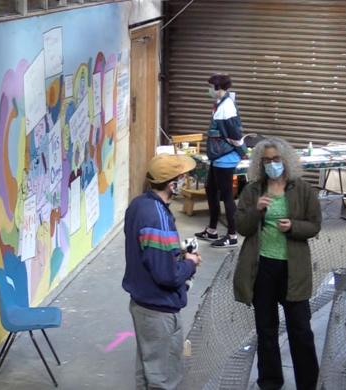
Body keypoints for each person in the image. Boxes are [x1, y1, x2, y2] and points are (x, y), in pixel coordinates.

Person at [232, 137, 321, 390]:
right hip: (262, 268)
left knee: (301, 330)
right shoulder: (252, 191)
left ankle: (309, 383)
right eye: (267, 160)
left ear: (286, 160)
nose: (272, 164)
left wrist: (294, 226)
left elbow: (315, 225)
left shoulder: (302, 189)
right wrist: (256, 210)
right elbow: (241, 227)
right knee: (266, 330)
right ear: (260, 164)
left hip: (294, 269)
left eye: (276, 159)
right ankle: (270, 382)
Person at [123, 154, 202, 390]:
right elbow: (167, 276)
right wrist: (190, 263)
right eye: (183, 177)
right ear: (171, 184)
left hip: (142, 303)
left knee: (147, 371)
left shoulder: (139, 205)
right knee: (162, 378)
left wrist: (175, 251)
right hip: (158, 309)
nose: (185, 180)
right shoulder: (157, 217)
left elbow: (144, 247)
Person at [196, 73, 244, 248]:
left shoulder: (227, 107)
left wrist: (241, 150)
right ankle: (212, 230)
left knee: (226, 196)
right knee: (211, 190)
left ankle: (232, 235)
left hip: (225, 159)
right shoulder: (220, 104)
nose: (208, 90)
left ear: (219, 88)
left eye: (210, 87)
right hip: (218, 158)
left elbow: (235, 134)